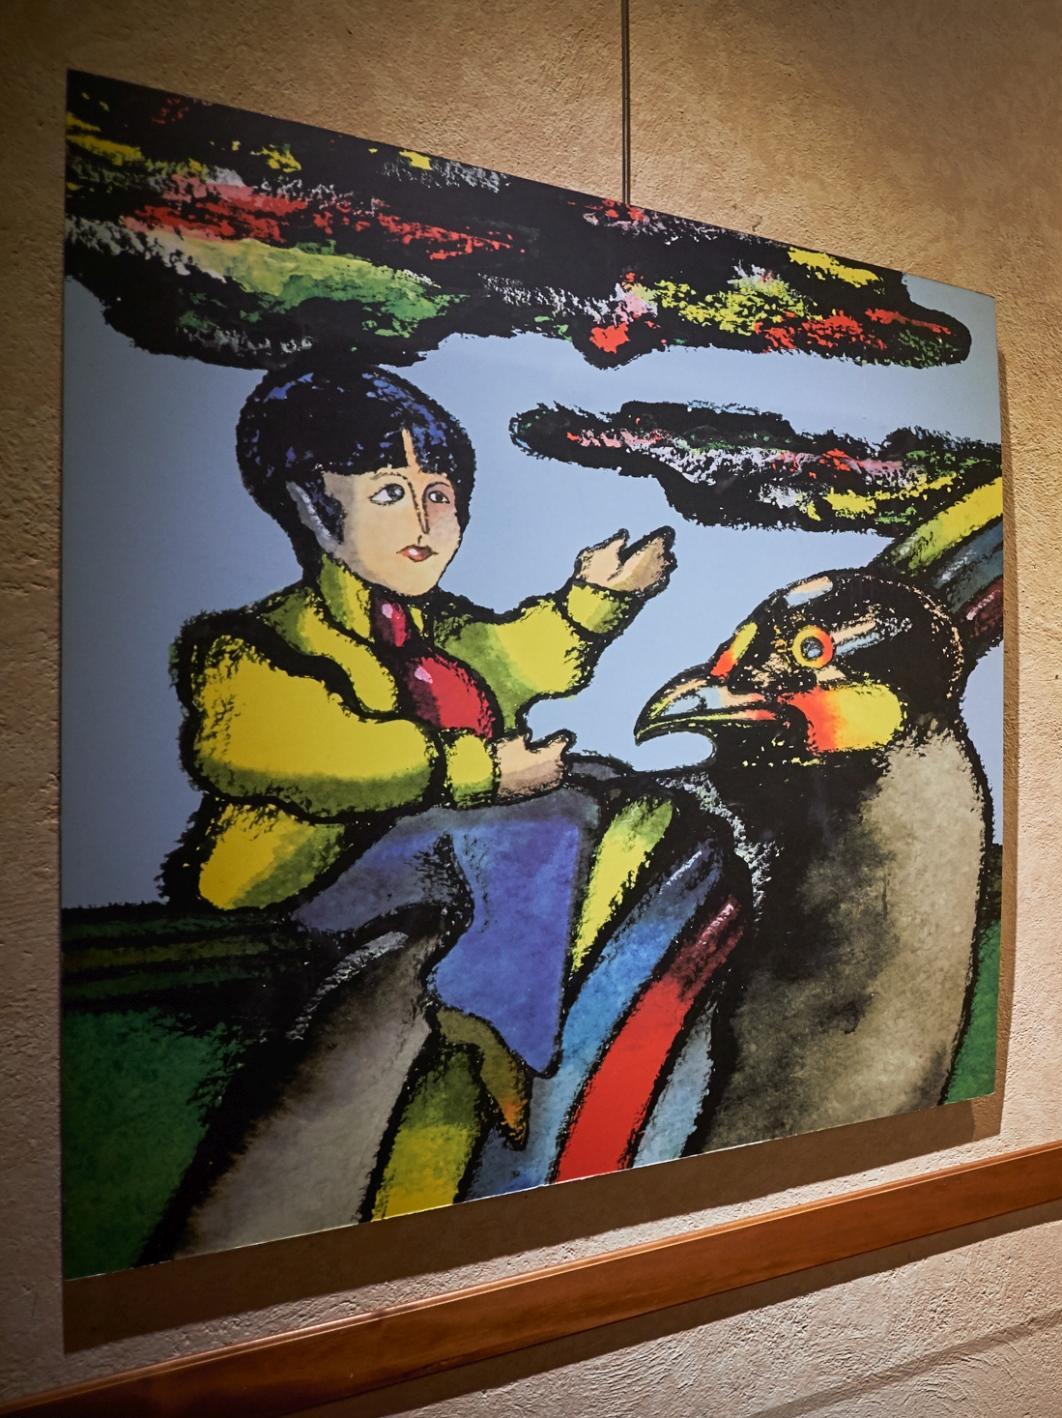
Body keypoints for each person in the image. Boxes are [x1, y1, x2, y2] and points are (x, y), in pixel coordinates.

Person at [160, 363, 678, 1243]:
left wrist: (595, 600)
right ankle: (490, 1027)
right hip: (304, 881)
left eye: (440, 494)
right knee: (537, 820)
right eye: (390, 492)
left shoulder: (442, 629)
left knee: (601, 789)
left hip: (423, 852)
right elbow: (306, 753)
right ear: (312, 504)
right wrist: (478, 774)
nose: (426, 522)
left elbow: (523, 655)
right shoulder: (248, 643)